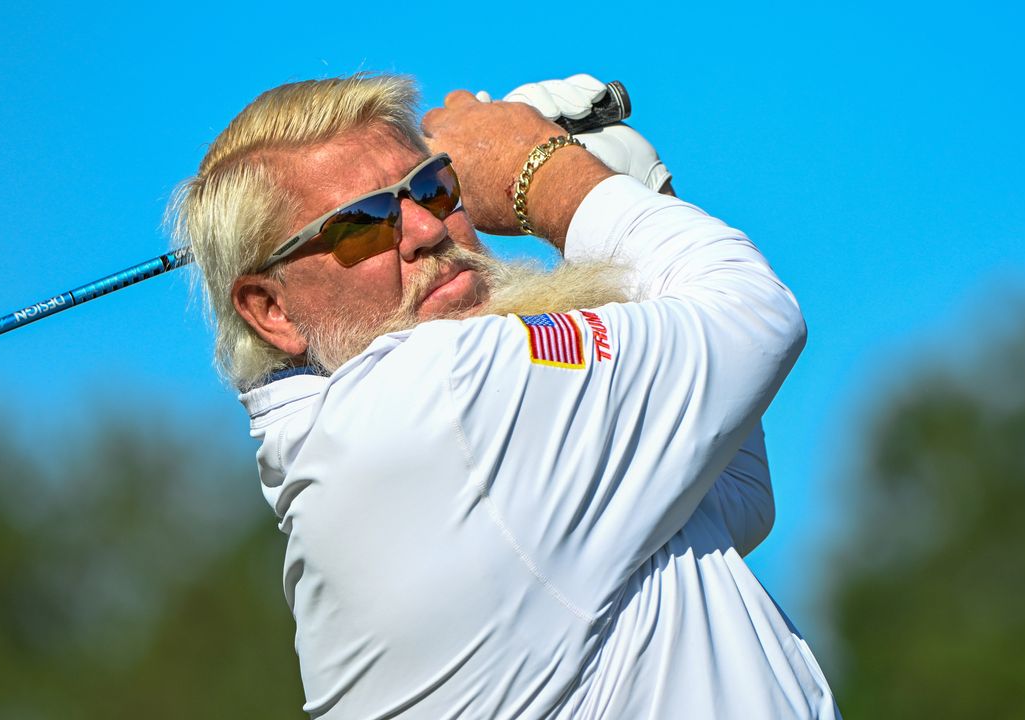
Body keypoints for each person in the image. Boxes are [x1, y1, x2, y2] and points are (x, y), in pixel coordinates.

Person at [171, 73, 839, 719]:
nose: (427, 230)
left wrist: (624, 195)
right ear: (271, 310)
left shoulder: (369, 443)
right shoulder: (430, 397)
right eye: (362, 223)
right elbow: (757, 316)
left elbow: (729, 495)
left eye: (432, 186)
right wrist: (544, 170)